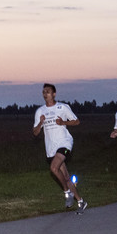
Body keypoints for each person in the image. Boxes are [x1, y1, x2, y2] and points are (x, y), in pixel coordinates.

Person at [32, 83, 87, 214]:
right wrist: (41, 122)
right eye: (44, 92)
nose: (45, 94)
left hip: (64, 143)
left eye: (48, 91)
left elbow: (76, 121)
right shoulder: (40, 111)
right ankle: (81, 201)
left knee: (53, 168)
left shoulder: (62, 107)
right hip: (51, 147)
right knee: (66, 177)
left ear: (54, 94)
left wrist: (63, 122)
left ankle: (67, 193)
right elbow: (35, 132)